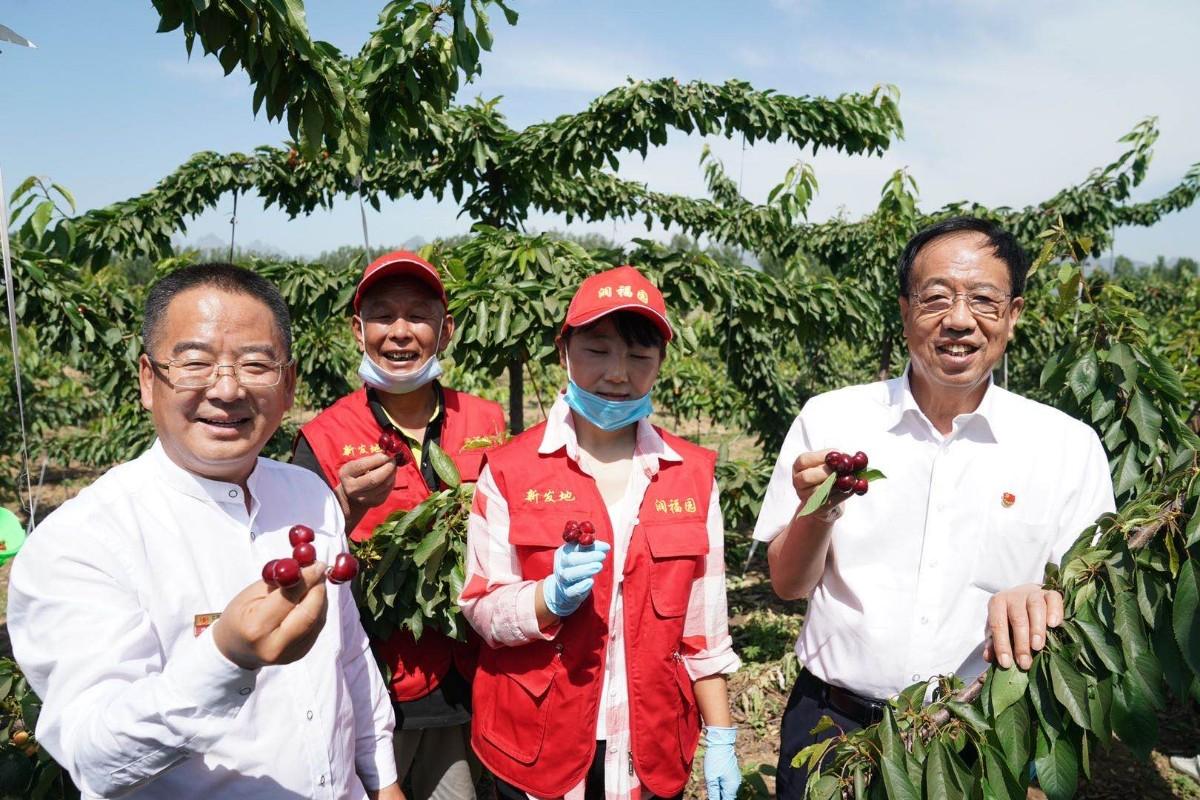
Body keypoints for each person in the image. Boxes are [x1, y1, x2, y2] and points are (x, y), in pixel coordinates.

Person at [752, 217, 1117, 797]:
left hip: (979, 730)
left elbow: (1092, 602)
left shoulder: (1066, 447)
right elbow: (789, 584)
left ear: (1014, 315)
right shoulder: (832, 423)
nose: (959, 320)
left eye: (984, 300)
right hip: (834, 728)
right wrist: (818, 510)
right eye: (937, 298)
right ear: (904, 312)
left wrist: (1049, 597)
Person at [7, 263, 401, 799]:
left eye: (257, 364)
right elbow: (93, 755)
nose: (228, 388)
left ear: (288, 385)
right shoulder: (83, 541)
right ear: (149, 380)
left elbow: (348, 656)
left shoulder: (311, 498)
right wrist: (225, 658)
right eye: (194, 362)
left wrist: (382, 778)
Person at [460, 265, 742, 800]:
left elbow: (705, 627)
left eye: (639, 356)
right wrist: (547, 597)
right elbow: (481, 606)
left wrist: (723, 735)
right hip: (538, 741)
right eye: (598, 350)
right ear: (563, 350)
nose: (618, 373)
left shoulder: (692, 475)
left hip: (647, 744)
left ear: (659, 363)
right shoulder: (510, 471)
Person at [293, 251, 506, 800]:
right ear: (358, 331)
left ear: (446, 329)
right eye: (384, 316)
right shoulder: (325, 436)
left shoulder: (486, 421)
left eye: (418, 315)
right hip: (378, 683)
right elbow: (295, 562)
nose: (400, 332)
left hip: (469, 678)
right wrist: (344, 504)